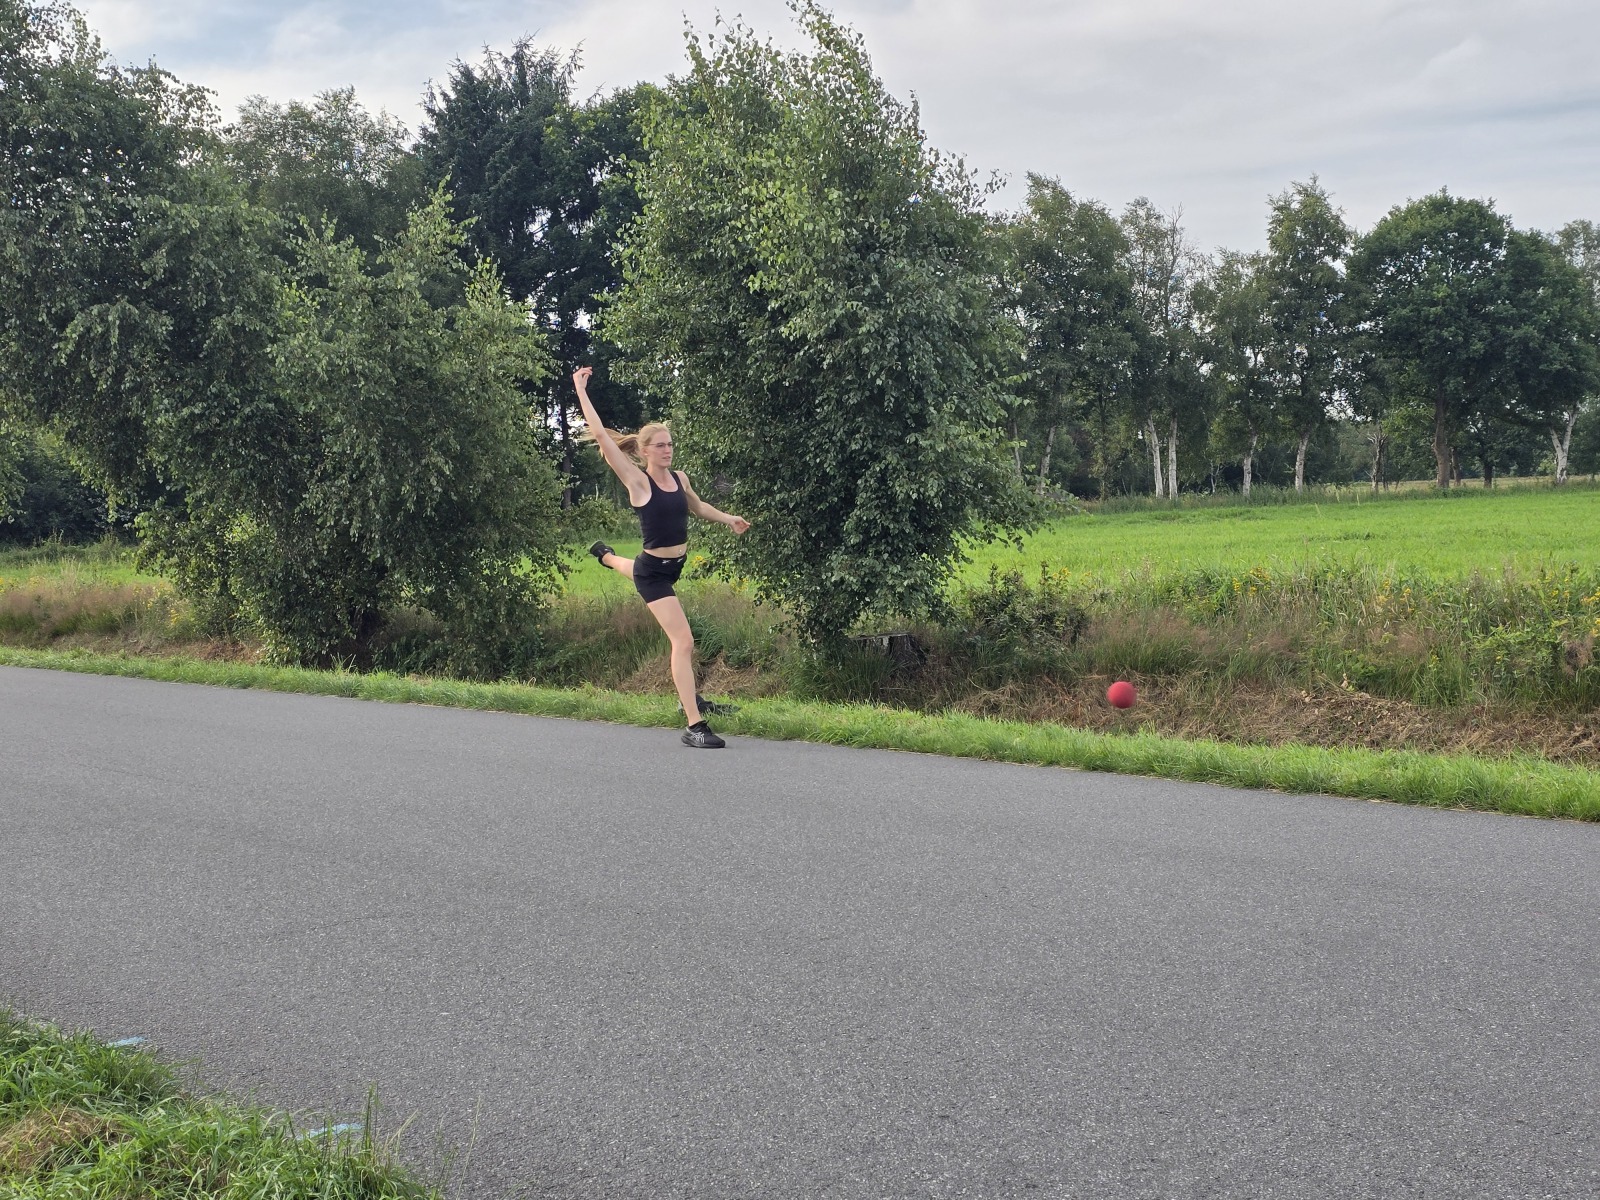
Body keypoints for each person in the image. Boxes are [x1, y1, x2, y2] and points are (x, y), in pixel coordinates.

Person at [572, 366, 750, 749]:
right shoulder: (638, 482)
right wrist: (581, 390)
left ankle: (605, 557)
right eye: (660, 446)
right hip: (654, 574)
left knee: (627, 566)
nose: (667, 450)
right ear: (643, 451)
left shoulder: (680, 478)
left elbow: (698, 507)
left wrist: (729, 518)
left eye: (670, 444)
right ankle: (694, 724)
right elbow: (600, 435)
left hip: (669, 567)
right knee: (683, 641)